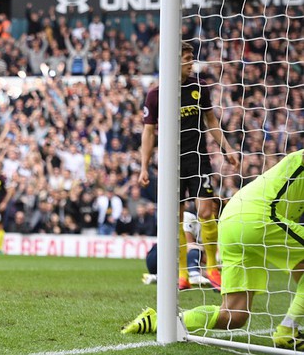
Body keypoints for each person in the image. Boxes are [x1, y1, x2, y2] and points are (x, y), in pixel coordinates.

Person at [122, 149, 304, 350]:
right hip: (260, 216)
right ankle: (288, 330)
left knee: (234, 316)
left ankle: (159, 321)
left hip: (231, 219)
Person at [138, 41, 239, 290]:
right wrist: (144, 166)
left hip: (198, 158)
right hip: (171, 163)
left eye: (191, 58)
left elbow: (211, 121)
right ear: (173, 61)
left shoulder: (199, 88)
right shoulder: (156, 94)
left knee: (206, 211)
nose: (191, 63)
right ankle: (183, 274)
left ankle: (213, 269)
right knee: (177, 218)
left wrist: (226, 148)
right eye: (186, 58)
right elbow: (149, 132)